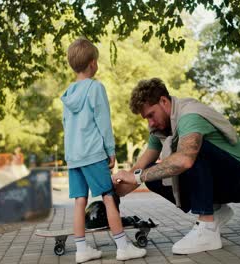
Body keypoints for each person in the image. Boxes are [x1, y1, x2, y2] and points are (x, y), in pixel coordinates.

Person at [112, 78, 240, 255]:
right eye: (146, 118)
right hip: (221, 180)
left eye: (151, 115)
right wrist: (117, 189)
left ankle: (207, 229)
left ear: (163, 101)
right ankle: (216, 210)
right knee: (152, 176)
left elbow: (185, 159)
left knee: (190, 152)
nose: (150, 123)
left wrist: (138, 176)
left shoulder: (189, 115)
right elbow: (140, 166)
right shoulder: (161, 129)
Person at [61, 38, 146, 263]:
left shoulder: (68, 94)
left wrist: (70, 154)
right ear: (92, 63)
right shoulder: (96, 88)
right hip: (92, 153)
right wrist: (110, 150)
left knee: (80, 201)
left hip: (74, 156)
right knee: (109, 197)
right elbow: (103, 122)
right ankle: (122, 246)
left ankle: (82, 250)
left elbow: (65, 126)